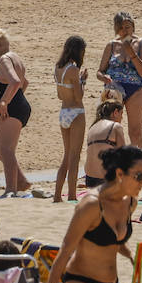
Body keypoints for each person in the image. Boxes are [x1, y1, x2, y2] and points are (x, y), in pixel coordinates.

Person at [39, 145, 142, 283]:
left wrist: (130, 256)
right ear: (120, 174)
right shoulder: (91, 205)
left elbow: (114, 241)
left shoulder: (130, 202)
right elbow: (66, 250)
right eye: (138, 176)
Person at [0, 28, 31, 196]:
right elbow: (25, 82)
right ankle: (22, 181)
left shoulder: (4, 59)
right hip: (15, 105)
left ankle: (11, 189)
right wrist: (14, 99)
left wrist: (5, 102)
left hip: (11, 108)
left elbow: (15, 81)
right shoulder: (14, 57)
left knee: (5, 149)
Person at [97, 12, 142, 146]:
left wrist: (131, 52)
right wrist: (104, 77)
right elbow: (99, 71)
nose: (124, 30)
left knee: (136, 131)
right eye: (121, 28)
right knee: (111, 128)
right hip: (114, 89)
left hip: (136, 89)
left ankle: (139, 163)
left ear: (133, 27)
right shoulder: (112, 45)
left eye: (127, 27)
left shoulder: (141, 43)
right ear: (116, 29)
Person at [54, 35, 89, 203]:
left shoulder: (58, 68)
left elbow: (60, 95)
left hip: (63, 112)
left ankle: (57, 195)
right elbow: (79, 97)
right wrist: (82, 81)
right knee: (75, 157)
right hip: (76, 113)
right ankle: (72, 195)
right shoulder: (73, 70)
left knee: (66, 156)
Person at [84, 101, 128, 189]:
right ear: (115, 112)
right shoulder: (115, 126)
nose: (122, 118)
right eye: (121, 114)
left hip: (90, 178)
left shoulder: (92, 127)